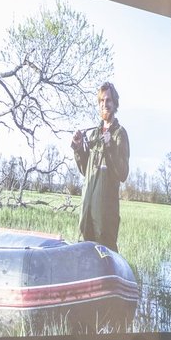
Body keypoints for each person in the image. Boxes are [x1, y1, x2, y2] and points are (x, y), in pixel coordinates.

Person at [71, 81, 129, 251]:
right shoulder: (94, 134)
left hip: (105, 217)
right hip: (87, 212)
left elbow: (123, 173)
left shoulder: (120, 134)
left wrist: (110, 146)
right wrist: (78, 147)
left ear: (115, 103)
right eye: (101, 101)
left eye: (108, 100)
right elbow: (85, 170)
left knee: (106, 257)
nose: (105, 104)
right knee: (86, 256)